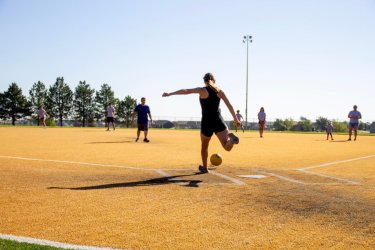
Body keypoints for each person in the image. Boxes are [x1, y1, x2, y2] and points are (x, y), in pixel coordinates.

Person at [162, 72, 241, 174]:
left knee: (204, 147)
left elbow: (186, 91)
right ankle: (232, 140)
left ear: (204, 81)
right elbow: (229, 105)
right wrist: (236, 119)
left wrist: (170, 93)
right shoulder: (220, 91)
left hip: (207, 122)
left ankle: (205, 168)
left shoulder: (202, 90)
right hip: (218, 120)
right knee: (226, 146)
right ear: (214, 80)